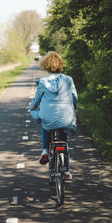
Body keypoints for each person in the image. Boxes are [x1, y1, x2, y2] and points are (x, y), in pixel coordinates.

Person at [29, 51, 78, 180]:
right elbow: (74, 97)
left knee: (45, 123)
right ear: (60, 64)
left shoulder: (42, 81)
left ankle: (45, 150)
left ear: (46, 65)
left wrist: (32, 108)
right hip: (65, 116)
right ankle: (66, 170)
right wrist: (73, 108)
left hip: (48, 117)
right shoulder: (68, 80)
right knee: (63, 141)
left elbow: (37, 100)